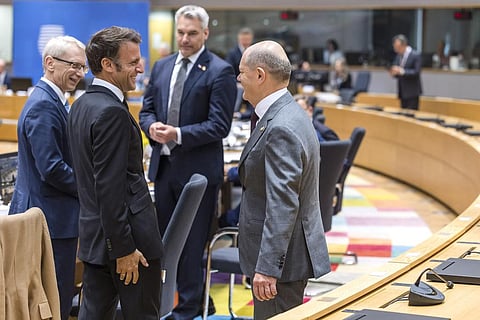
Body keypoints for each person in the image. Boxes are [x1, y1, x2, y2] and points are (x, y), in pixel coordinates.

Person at [139, 5, 236, 319]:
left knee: (192, 245)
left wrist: (177, 134)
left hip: (198, 173)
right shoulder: (163, 65)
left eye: (192, 33)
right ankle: (182, 301)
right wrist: (151, 126)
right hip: (164, 169)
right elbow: (147, 110)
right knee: (166, 243)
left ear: (205, 33)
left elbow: (220, 125)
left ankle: (190, 309)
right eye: (180, 32)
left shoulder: (219, 71)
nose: (184, 38)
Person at [67, 26, 164, 320]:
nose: (141, 67)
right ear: (108, 65)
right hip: (127, 245)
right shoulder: (111, 111)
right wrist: (124, 249)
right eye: (133, 61)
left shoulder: (81, 104)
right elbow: (109, 187)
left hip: (96, 240)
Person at [236, 40, 331, 319]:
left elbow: (283, 204)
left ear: (260, 75)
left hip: (282, 263)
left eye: (242, 72)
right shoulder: (289, 111)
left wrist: (267, 267)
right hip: (288, 256)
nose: (239, 79)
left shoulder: (281, 128)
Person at [8, 36, 86, 320]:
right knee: (54, 300)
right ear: (49, 63)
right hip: (49, 220)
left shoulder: (54, 99)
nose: (79, 72)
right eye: (74, 65)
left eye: (83, 67)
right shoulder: (44, 104)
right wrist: (88, 189)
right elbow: (51, 168)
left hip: (51, 217)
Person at [390, 34, 422, 110]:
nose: (396, 49)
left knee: (411, 115)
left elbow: (416, 72)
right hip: (402, 91)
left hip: (412, 92)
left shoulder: (415, 55)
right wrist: (394, 73)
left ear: (404, 45)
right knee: (403, 115)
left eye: (397, 47)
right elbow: (399, 72)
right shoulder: (398, 56)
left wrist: (402, 71)